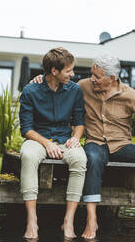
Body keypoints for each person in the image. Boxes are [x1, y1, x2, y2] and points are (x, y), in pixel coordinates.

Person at [33, 54, 135, 239]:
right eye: (92, 74)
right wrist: (39, 79)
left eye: (97, 77)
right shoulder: (83, 87)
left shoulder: (129, 95)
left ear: (112, 78)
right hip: (95, 143)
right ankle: (91, 220)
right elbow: (57, 81)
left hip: (122, 145)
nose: (92, 79)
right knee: (91, 159)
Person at [19, 47, 87, 240]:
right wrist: (46, 143)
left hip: (65, 140)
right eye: (69, 71)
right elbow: (26, 129)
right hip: (37, 139)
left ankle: (68, 221)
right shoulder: (31, 90)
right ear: (54, 71)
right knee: (28, 155)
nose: (73, 74)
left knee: (80, 159)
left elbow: (79, 121)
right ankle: (32, 220)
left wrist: (76, 137)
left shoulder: (74, 90)